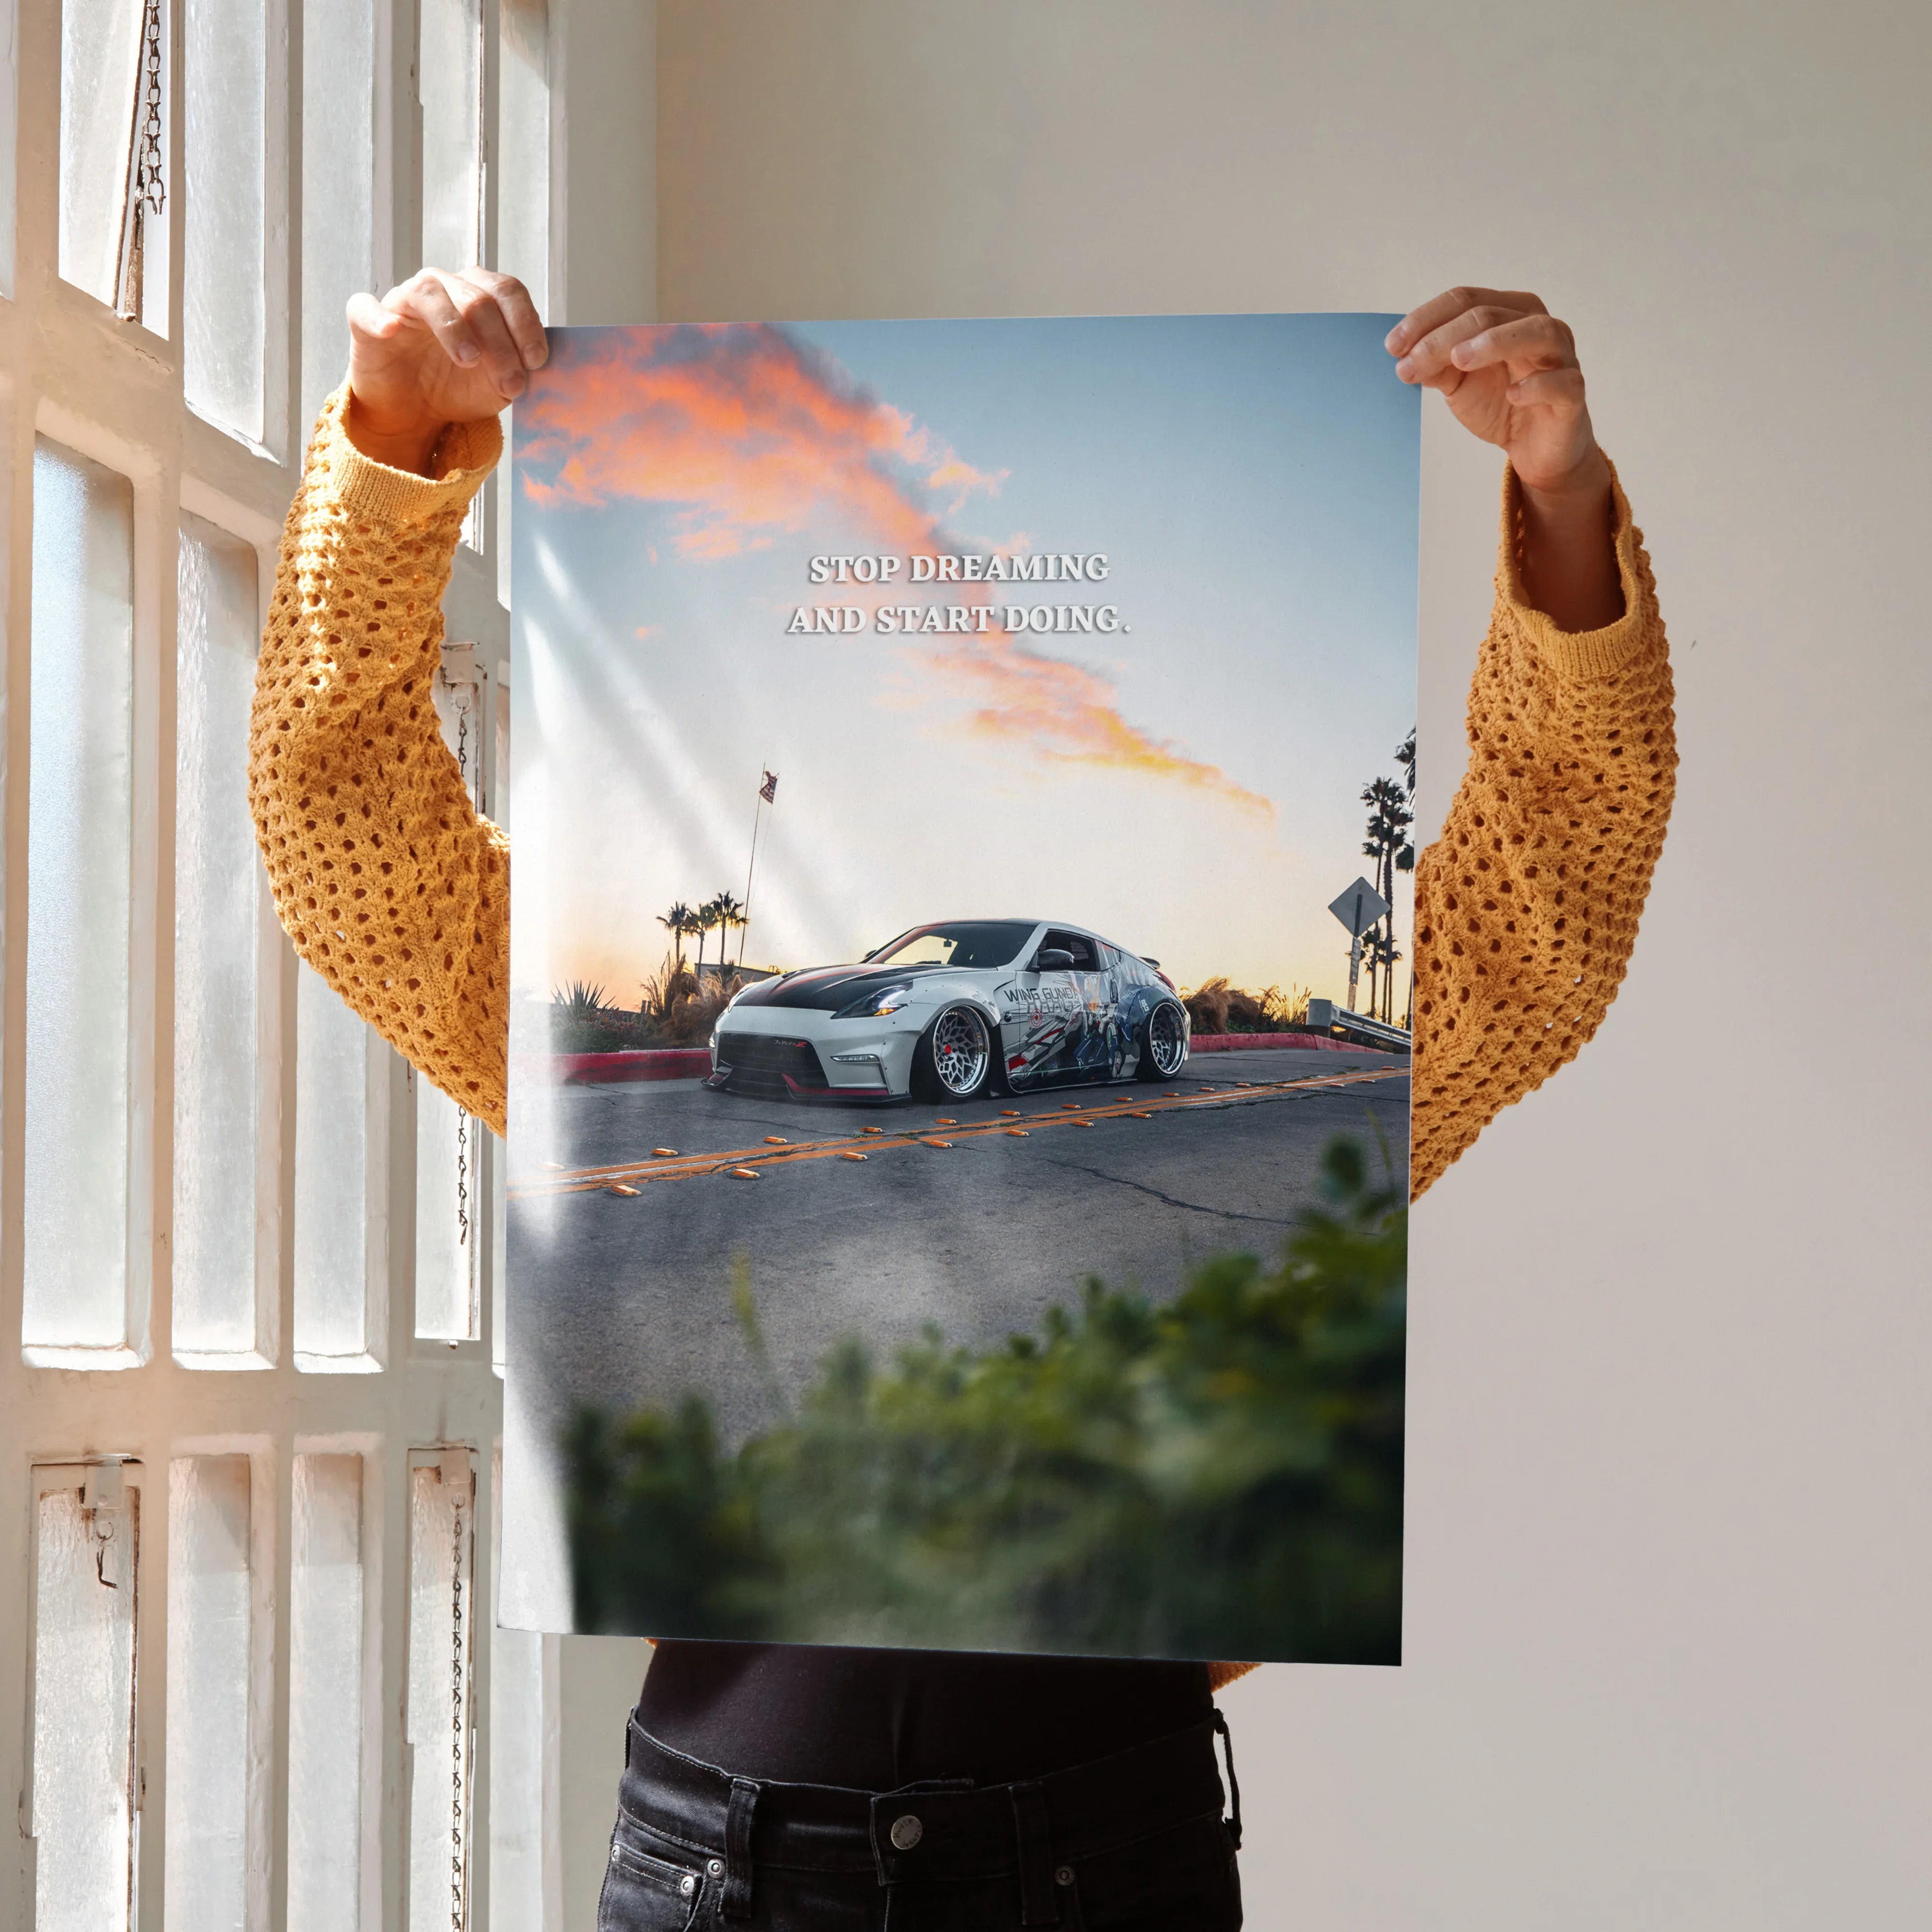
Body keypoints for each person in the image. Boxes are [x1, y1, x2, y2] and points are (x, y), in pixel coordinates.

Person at [250, 268, 1675, 1930]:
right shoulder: (645, 1097)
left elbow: (1547, 913)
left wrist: (1561, 498)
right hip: (726, 1864)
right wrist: (393, 443)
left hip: (1104, 1853)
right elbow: (349, 847)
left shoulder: (1277, 1113)